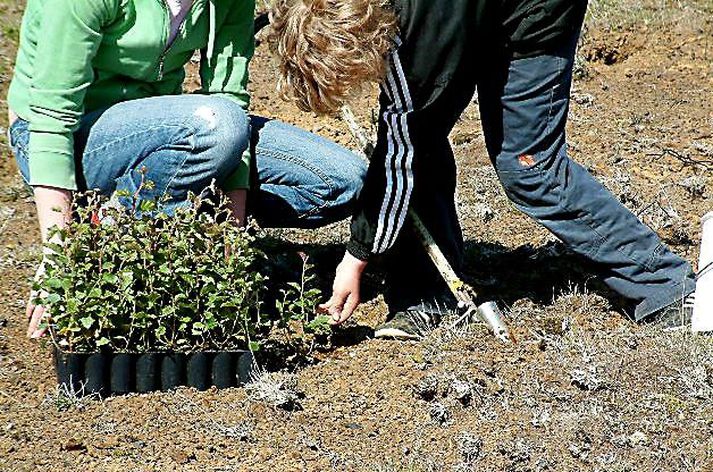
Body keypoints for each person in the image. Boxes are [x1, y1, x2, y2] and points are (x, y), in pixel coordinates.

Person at [268, 0, 697, 339]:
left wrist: (357, 256)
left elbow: (401, 152)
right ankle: (430, 294)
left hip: (534, 11)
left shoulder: (407, 37)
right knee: (422, 133)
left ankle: (668, 285)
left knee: (531, 169)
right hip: (466, 14)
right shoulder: (395, 23)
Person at [7, 0, 367, 339]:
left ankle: (152, 227)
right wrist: (60, 258)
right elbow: (52, 118)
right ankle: (114, 234)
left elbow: (231, 97)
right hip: (67, 137)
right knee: (215, 124)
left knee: (342, 180)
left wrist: (233, 243)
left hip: (166, 132)